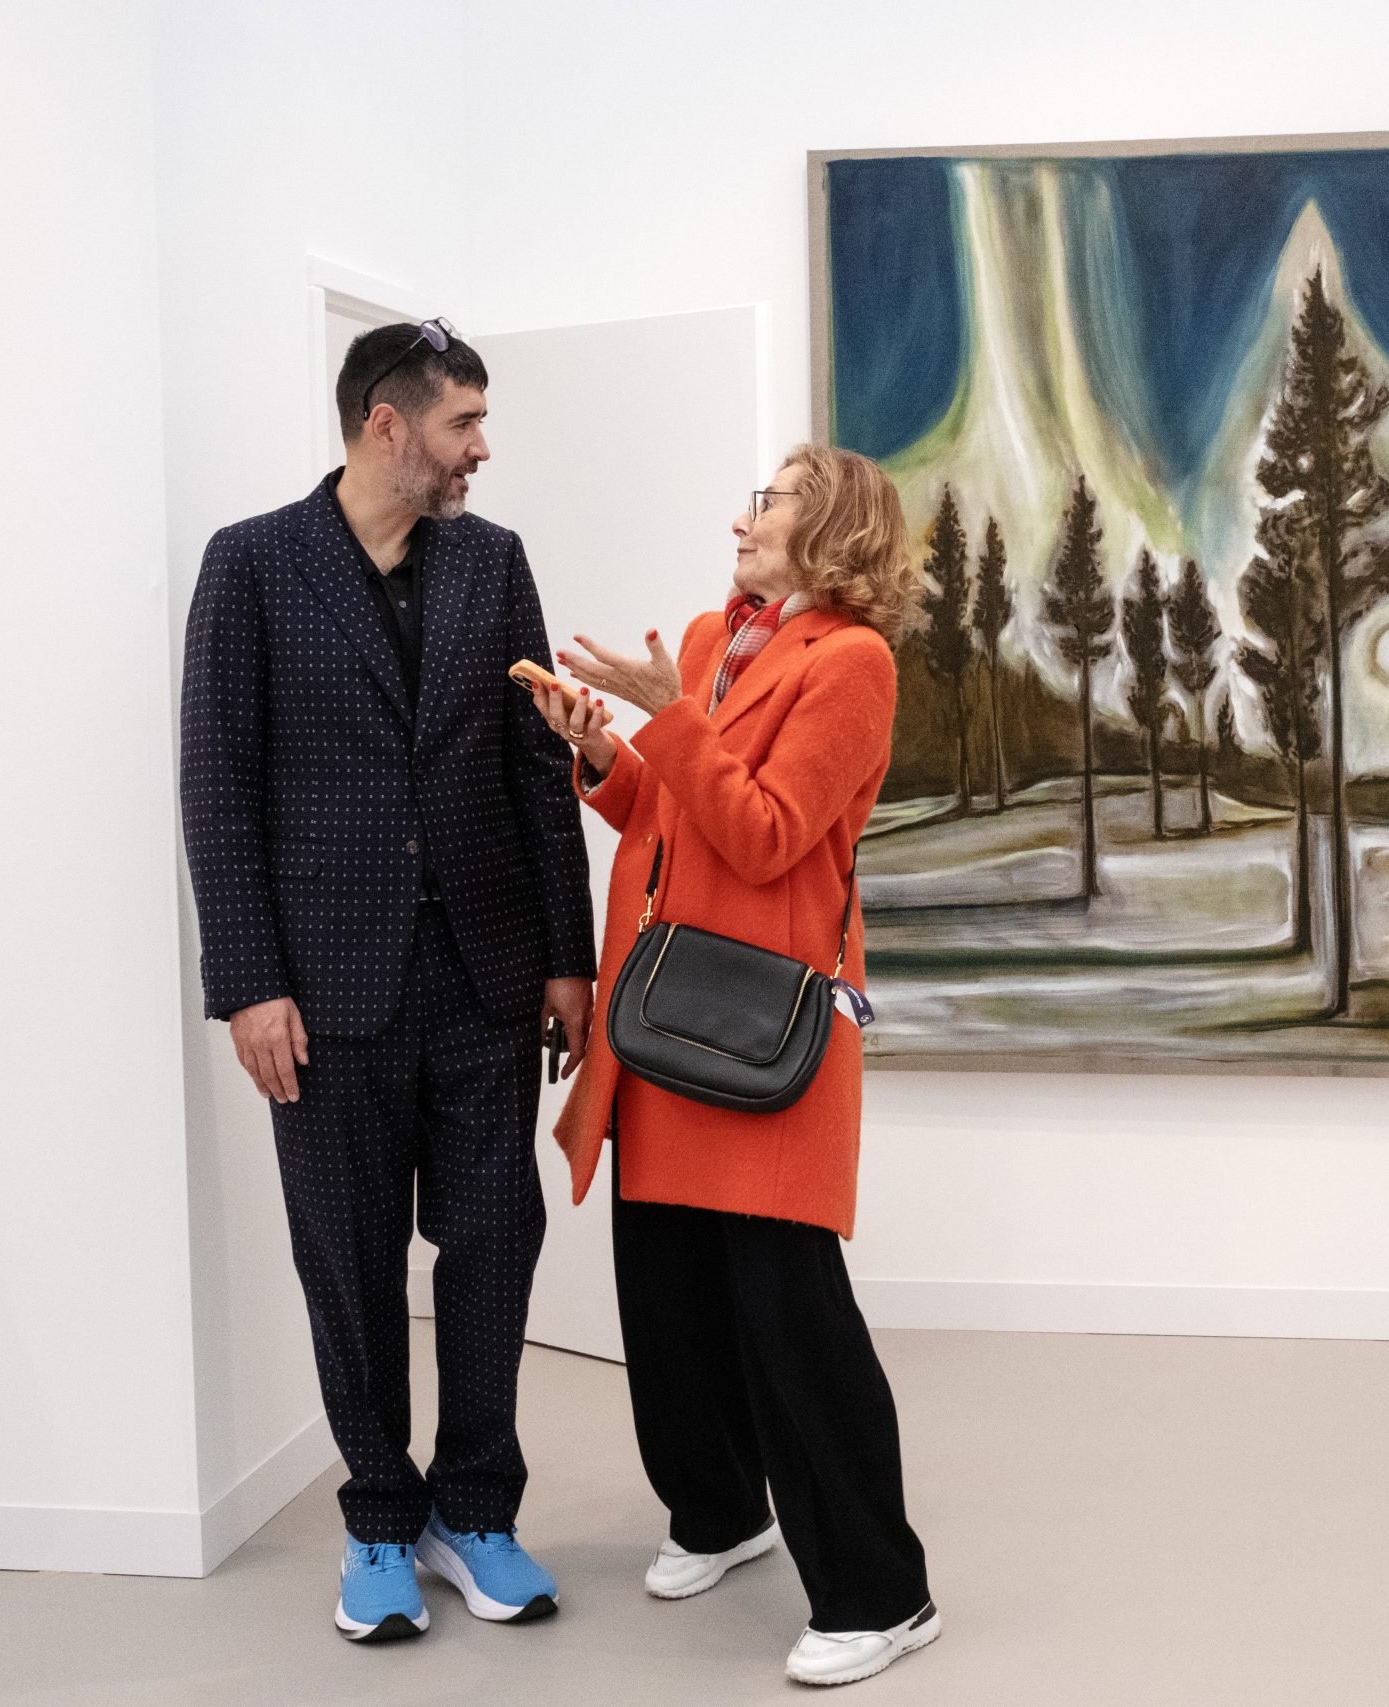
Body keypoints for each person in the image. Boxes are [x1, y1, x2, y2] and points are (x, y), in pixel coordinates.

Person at [179, 320, 596, 1642]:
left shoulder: (494, 562)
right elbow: (218, 783)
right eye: (465, 421)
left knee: (492, 1245)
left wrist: (567, 956)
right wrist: (247, 981)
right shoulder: (250, 566)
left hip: (481, 975)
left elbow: (538, 773)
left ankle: (475, 1507)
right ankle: (375, 1518)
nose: (484, 445)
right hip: (323, 990)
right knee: (348, 1260)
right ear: (386, 425)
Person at [528, 444, 940, 1688]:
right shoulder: (716, 636)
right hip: (660, 1016)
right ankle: (719, 1513)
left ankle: (881, 1591)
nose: (739, 520)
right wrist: (604, 755)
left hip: (763, 1031)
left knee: (789, 1315)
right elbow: (672, 811)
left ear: (836, 530)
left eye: (765, 505)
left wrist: (670, 715)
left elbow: (763, 839)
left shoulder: (852, 665)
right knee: (667, 1298)